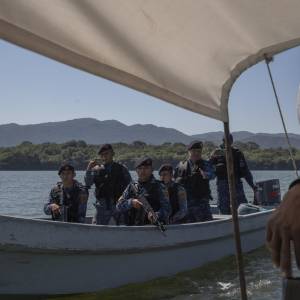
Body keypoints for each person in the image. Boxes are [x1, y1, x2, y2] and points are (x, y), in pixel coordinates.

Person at [85, 144, 131, 225]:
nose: (104, 156)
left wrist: (126, 201)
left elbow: (130, 186)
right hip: (101, 206)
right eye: (102, 155)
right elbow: (88, 183)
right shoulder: (96, 170)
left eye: (106, 154)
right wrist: (89, 169)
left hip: (118, 204)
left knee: (124, 227)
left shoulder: (122, 169)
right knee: (95, 229)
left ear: (112, 154)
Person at [210, 134, 257, 214]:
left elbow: (246, 171)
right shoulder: (216, 153)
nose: (228, 143)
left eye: (229, 141)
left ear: (232, 141)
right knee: (223, 208)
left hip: (236, 183)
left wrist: (253, 186)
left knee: (242, 206)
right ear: (223, 141)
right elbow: (209, 169)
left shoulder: (237, 153)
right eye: (226, 141)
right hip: (222, 185)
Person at [116, 157, 170, 225]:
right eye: (140, 168)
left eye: (146, 168)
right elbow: (118, 206)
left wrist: (156, 215)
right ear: (136, 170)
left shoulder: (160, 187)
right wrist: (131, 202)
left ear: (152, 170)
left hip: (152, 228)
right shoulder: (131, 186)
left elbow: (167, 209)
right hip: (133, 227)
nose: (143, 171)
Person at [174, 141, 215, 222]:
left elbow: (212, 174)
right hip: (187, 205)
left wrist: (205, 175)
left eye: (199, 151)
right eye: (194, 151)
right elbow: (174, 182)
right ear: (189, 152)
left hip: (202, 205)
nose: (196, 154)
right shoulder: (181, 166)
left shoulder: (205, 164)